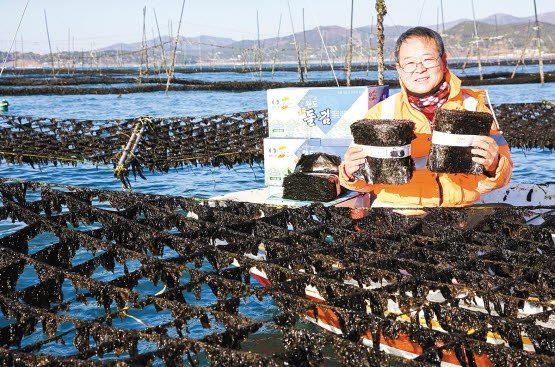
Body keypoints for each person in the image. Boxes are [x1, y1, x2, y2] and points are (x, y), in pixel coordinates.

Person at [339, 27, 512, 207]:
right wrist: (350, 172)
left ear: (444, 61)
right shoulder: (381, 113)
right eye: (410, 63)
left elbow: (503, 178)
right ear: (399, 69)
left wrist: (495, 165)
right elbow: (361, 185)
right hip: (397, 213)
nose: (419, 69)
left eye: (428, 60)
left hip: (460, 212)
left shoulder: (474, 108)